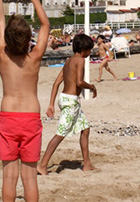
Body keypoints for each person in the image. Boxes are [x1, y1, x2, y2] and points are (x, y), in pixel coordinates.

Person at [0, 0, 50, 202]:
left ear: (8, 38)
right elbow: (45, 25)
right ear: (28, 39)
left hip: (8, 116)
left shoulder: (3, 56)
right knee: (29, 177)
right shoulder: (34, 57)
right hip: (30, 116)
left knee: (8, 176)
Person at [38, 34, 97, 176]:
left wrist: (51, 104)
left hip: (66, 99)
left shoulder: (68, 61)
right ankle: (42, 165)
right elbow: (79, 82)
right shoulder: (80, 61)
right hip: (71, 101)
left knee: (85, 129)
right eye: (89, 50)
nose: (89, 53)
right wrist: (92, 87)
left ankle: (87, 163)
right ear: (84, 49)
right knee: (60, 133)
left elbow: (56, 83)